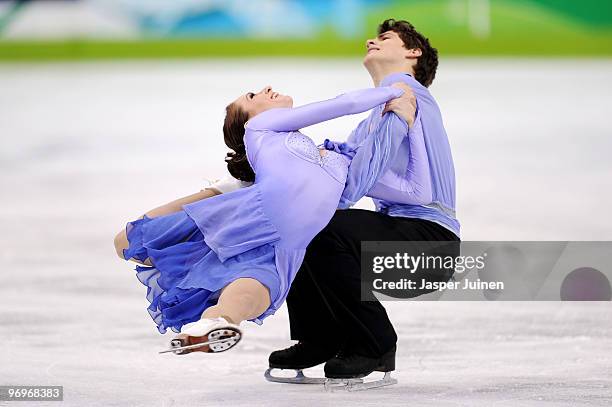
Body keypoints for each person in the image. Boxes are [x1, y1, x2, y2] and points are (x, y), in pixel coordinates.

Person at [113, 82, 423, 355]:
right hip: (258, 211)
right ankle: (164, 239)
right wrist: (395, 91)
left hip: (290, 241)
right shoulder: (260, 127)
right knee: (128, 239)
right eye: (251, 95)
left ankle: (217, 322)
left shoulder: (327, 159)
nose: (265, 88)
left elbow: (366, 168)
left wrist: (398, 120)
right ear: (247, 119)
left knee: (258, 286)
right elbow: (342, 105)